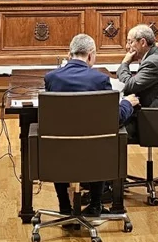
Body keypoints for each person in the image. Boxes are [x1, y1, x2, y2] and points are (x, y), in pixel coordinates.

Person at [43, 34, 140, 217]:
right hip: (93, 152)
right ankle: (95, 205)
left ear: (69, 54)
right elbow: (114, 118)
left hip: (58, 151)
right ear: (90, 55)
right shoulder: (100, 80)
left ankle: (64, 207)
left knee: (59, 142)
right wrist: (127, 103)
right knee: (105, 139)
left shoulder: (51, 78)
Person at [117, 24, 158, 141]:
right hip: (151, 112)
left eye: (130, 42)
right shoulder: (153, 57)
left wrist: (125, 64)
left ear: (143, 42)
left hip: (155, 119)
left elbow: (129, 86)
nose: (127, 46)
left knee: (110, 127)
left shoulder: (153, 62)